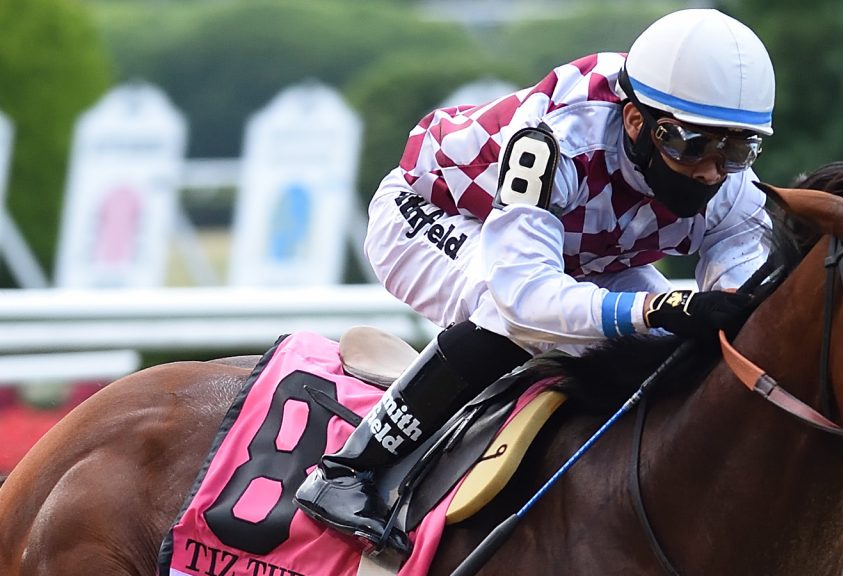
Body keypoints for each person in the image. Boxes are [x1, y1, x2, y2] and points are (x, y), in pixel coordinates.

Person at [295, 7, 778, 548]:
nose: (711, 171)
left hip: (569, 249)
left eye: (736, 148)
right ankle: (347, 469)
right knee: (509, 312)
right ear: (637, 122)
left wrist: (721, 308)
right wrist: (655, 307)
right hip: (436, 211)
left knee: (673, 341)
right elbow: (523, 296)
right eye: (690, 145)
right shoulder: (557, 138)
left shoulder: (730, 183)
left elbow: (743, 295)